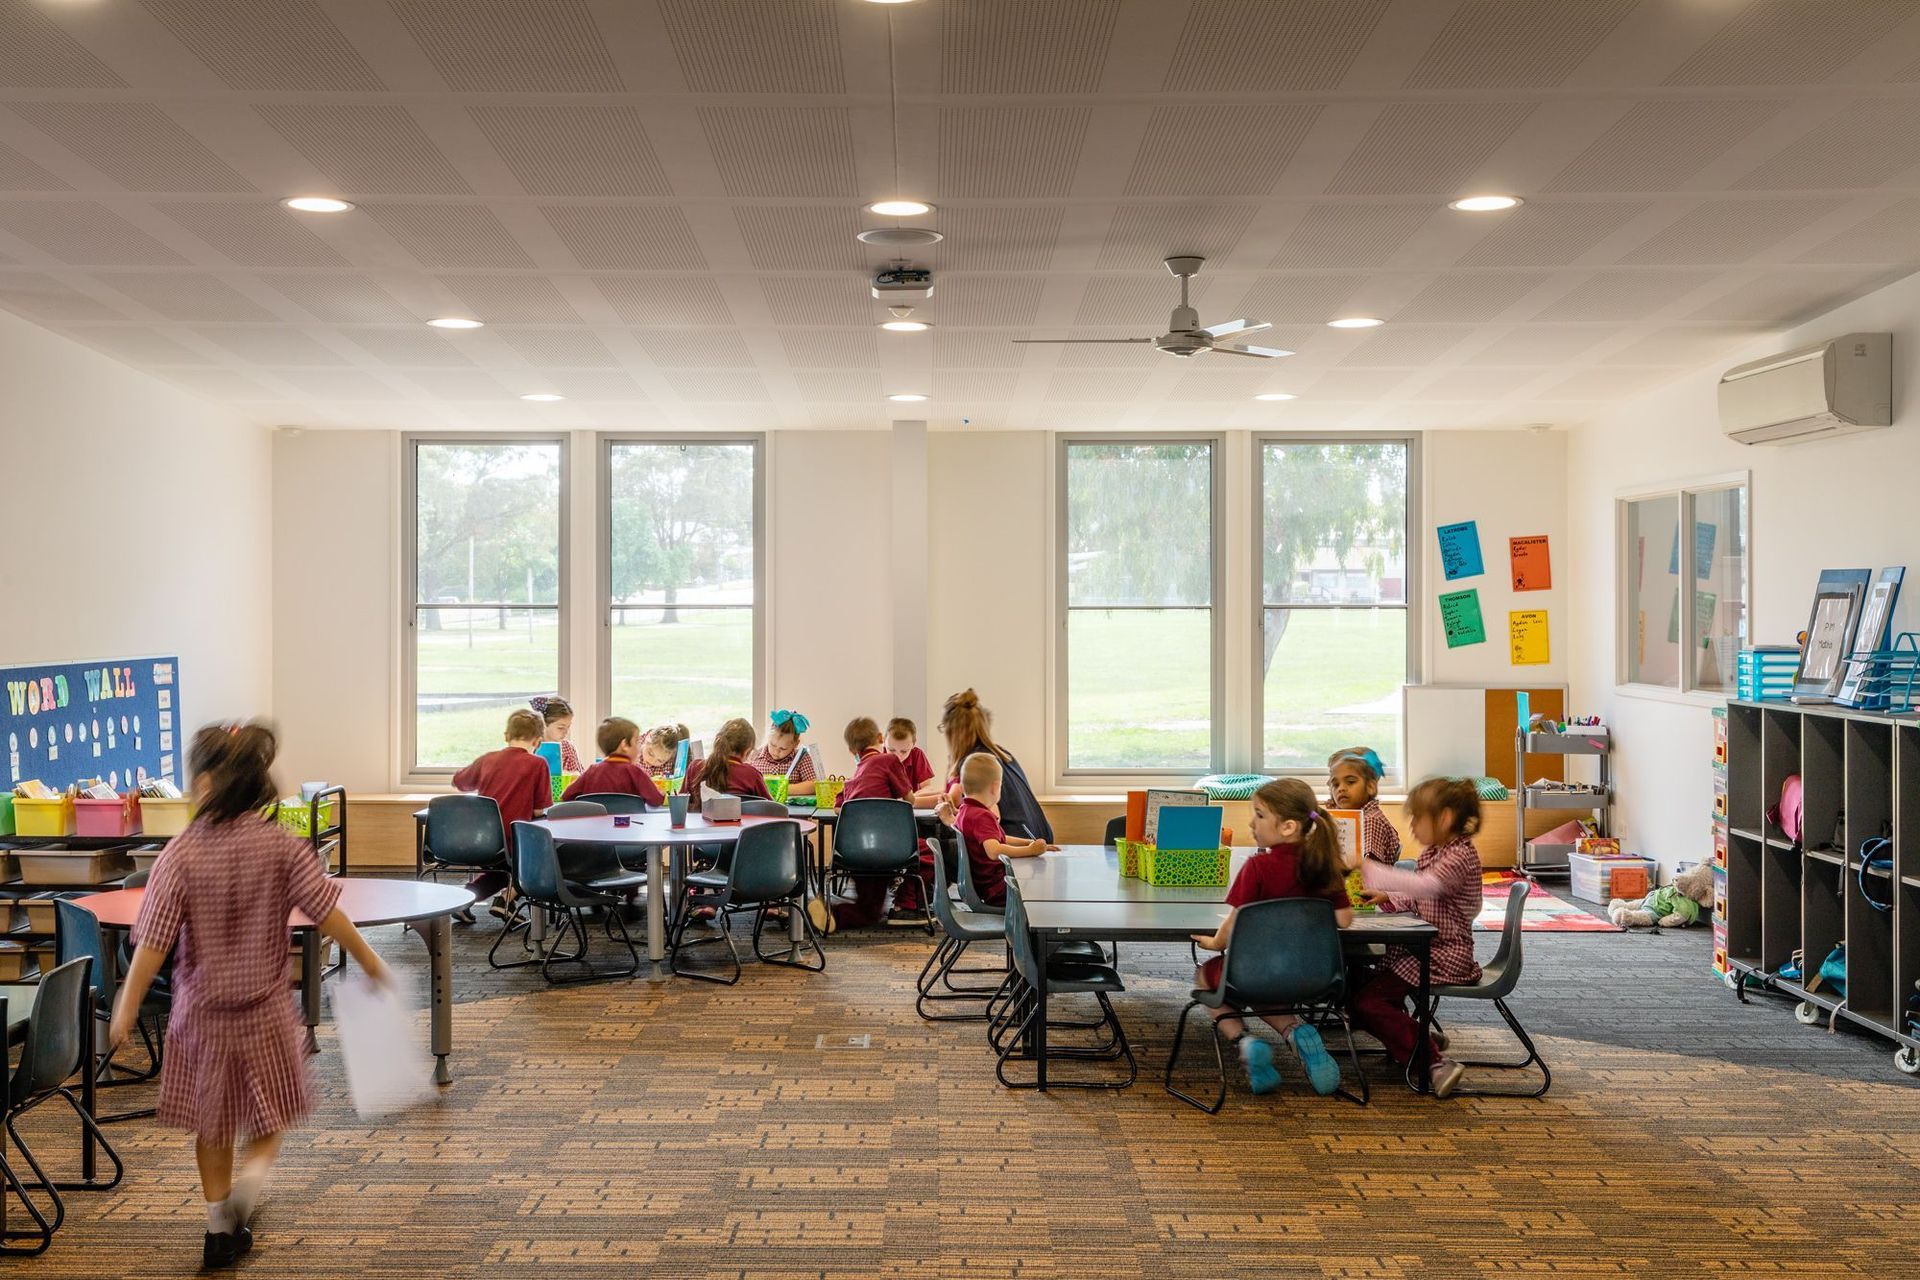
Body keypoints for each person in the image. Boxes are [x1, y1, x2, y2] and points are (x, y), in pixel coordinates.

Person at [108, 723, 392, 1269]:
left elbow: (153, 942)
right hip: (265, 1012)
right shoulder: (282, 847)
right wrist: (372, 961)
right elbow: (327, 913)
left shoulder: (180, 854)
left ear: (208, 784)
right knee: (269, 1118)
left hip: (202, 1016)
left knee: (213, 1126)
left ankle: (219, 1227)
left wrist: (125, 1005)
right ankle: (252, 1185)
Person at [1188, 778, 1353, 1097]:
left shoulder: (1258, 867)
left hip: (1254, 971)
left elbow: (1234, 923)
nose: (1252, 822)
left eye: (1260, 815)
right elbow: (1343, 919)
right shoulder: (1325, 865)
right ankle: (1296, 1031)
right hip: (1314, 973)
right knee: (1267, 988)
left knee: (1209, 978)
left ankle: (1245, 1042)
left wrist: (1213, 944)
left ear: (1289, 826)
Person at [1351, 775, 1483, 1099]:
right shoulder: (1436, 851)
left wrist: (1366, 866)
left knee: (1366, 1002)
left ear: (1445, 818)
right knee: (1360, 996)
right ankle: (1416, 1039)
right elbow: (1422, 897)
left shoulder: (1458, 856)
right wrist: (1387, 895)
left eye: (1416, 818)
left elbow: (1428, 887)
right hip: (1425, 948)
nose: (1411, 826)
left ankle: (1434, 1062)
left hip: (1444, 954)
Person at [822, 716, 925, 930]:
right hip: (888, 847)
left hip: (855, 851)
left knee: (867, 907)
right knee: (928, 851)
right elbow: (910, 800)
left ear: (852, 751)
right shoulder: (890, 761)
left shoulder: (853, 778)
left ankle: (827, 911)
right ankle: (908, 904)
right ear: (881, 738)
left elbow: (838, 806)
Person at [451, 709, 550, 922]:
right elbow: (538, 811)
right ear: (538, 741)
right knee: (545, 858)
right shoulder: (537, 763)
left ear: (506, 736)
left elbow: (459, 782)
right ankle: (506, 900)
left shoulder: (488, 759)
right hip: (513, 841)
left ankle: (462, 901)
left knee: (502, 870)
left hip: (480, 838)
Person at [938, 688, 1052, 843]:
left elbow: (987, 821)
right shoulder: (1002, 754)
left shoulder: (974, 763)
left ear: (953, 733)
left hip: (1016, 841)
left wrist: (950, 818)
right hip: (1039, 836)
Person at [943, 751, 1049, 908]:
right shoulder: (982, 816)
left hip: (986, 886)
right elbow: (994, 850)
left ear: (963, 786)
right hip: (997, 889)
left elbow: (1000, 838)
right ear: (994, 787)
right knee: (1044, 887)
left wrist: (1029, 843)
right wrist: (1031, 851)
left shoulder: (966, 810)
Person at [560, 716, 665, 806]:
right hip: (629, 827)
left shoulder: (592, 771)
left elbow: (566, 796)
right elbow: (656, 800)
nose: (639, 747)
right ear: (624, 745)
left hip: (595, 828)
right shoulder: (635, 772)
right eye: (637, 741)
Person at [1327, 746, 1401, 866]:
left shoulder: (1369, 820)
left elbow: (1368, 868)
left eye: (1350, 781)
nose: (1341, 788)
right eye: (1335, 784)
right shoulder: (1347, 817)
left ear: (1370, 787)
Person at [683, 718, 770, 812]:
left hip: (702, 825)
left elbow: (681, 803)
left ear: (718, 741)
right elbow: (773, 810)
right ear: (747, 751)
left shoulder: (695, 767)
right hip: (741, 826)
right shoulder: (751, 774)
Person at [745, 708, 818, 797]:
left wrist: (782, 788)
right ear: (768, 737)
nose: (776, 751)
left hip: (794, 809)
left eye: (783, 749)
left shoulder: (801, 758)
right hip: (762, 807)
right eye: (772, 745)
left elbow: (813, 785)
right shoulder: (754, 756)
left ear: (795, 744)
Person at [886, 717, 942, 804]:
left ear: (913, 744)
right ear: (883, 741)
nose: (897, 756)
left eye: (904, 751)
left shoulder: (917, 754)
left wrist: (909, 798)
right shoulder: (878, 756)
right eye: (891, 750)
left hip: (910, 807)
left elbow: (927, 788)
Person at [531, 696, 582, 773]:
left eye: (568, 727)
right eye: (561, 728)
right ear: (544, 724)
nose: (566, 732)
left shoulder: (568, 748)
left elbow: (578, 779)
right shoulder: (531, 746)